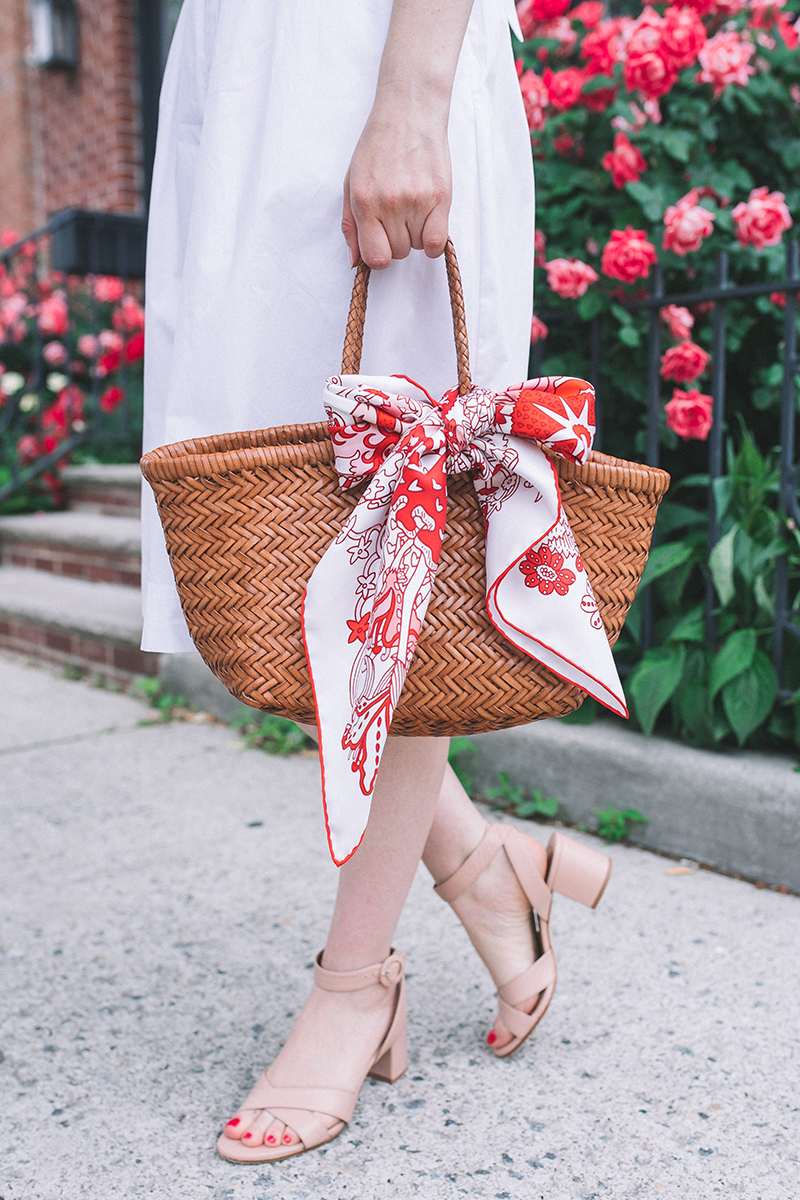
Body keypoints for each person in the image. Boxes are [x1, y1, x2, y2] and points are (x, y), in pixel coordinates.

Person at [142, 0, 611, 1165]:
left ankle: (355, 985)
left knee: (404, 533)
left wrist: (409, 95)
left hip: (364, 57)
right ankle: (475, 861)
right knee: (267, 530)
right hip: (236, 70)